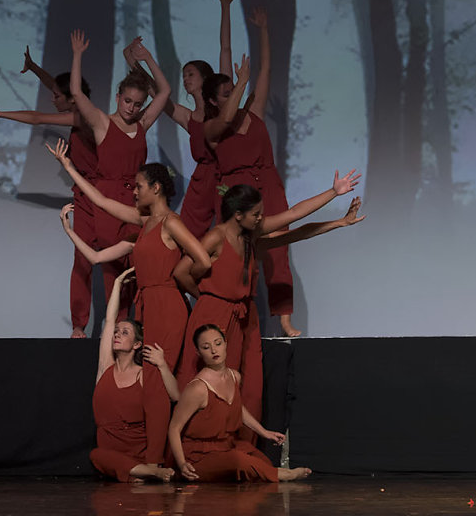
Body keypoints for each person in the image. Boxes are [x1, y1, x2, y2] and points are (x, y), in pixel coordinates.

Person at [51, 139, 212, 463]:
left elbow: (203, 260)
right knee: (151, 383)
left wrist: (181, 280)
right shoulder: (144, 221)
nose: (134, 192)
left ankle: (155, 461)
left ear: (156, 188)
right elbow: (101, 201)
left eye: (139, 187)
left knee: (154, 381)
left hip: (167, 306)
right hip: (148, 305)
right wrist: (68, 167)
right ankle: (156, 458)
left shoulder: (171, 222)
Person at [174, 177, 363, 428]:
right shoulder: (216, 237)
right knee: (212, 382)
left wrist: (336, 204)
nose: (261, 218)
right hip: (215, 315)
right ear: (238, 215)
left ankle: (239, 441)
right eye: (256, 214)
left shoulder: (250, 235)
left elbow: (295, 218)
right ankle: (205, 442)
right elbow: (181, 272)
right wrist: (207, 298)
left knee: (249, 382)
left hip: (245, 315)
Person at [0, 48, 98, 338]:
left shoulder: (82, 118)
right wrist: (34, 69)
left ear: (72, 98)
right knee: (82, 261)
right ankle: (79, 326)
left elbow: (36, 118)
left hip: (101, 195)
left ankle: (121, 322)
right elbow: (57, 87)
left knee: (109, 261)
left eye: (57, 96)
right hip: (85, 196)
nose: (52, 99)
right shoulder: (78, 110)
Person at [204, 6, 300, 337]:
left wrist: (263, 30)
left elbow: (266, 69)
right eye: (227, 93)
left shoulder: (253, 113)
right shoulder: (212, 128)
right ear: (214, 102)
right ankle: (238, 315)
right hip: (238, 195)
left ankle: (284, 317)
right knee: (238, 255)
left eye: (235, 88)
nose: (236, 93)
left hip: (268, 185)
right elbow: (225, 115)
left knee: (278, 250)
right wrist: (240, 82)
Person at [70, 32, 171, 308]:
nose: (132, 108)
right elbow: (77, 93)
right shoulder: (102, 123)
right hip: (108, 198)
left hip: (138, 198)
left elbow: (164, 92)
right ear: (118, 97)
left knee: (140, 258)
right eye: (127, 101)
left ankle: (135, 321)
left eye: (138, 104)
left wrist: (147, 58)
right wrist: (77, 55)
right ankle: (116, 321)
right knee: (112, 264)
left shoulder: (142, 123)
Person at [167, 324, 312, 482]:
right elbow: (174, 427)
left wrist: (264, 432)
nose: (214, 350)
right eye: (206, 347)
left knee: (262, 461)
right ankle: (285, 474)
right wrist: (182, 464)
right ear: (199, 352)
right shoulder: (198, 388)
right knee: (239, 461)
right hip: (199, 456)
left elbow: (237, 409)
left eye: (218, 343)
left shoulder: (234, 376)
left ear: (225, 344)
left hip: (227, 446)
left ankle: (273, 472)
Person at [161, 0, 238, 238]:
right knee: (187, 236)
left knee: (228, 236)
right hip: (200, 182)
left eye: (190, 74)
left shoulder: (222, 106)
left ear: (205, 78)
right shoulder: (189, 117)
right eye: (183, 75)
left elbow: (225, 50)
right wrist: (138, 64)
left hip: (225, 176)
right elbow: (161, 100)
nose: (185, 79)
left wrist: (225, 8)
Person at [90, 268, 178, 483]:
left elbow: (176, 396)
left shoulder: (143, 374)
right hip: (111, 453)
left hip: (139, 452)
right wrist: (118, 283)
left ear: (137, 344)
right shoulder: (105, 367)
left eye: (125, 333)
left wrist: (162, 365)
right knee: (96, 455)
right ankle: (147, 473)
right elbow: (110, 320)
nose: (117, 335)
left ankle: (143, 470)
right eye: (117, 332)